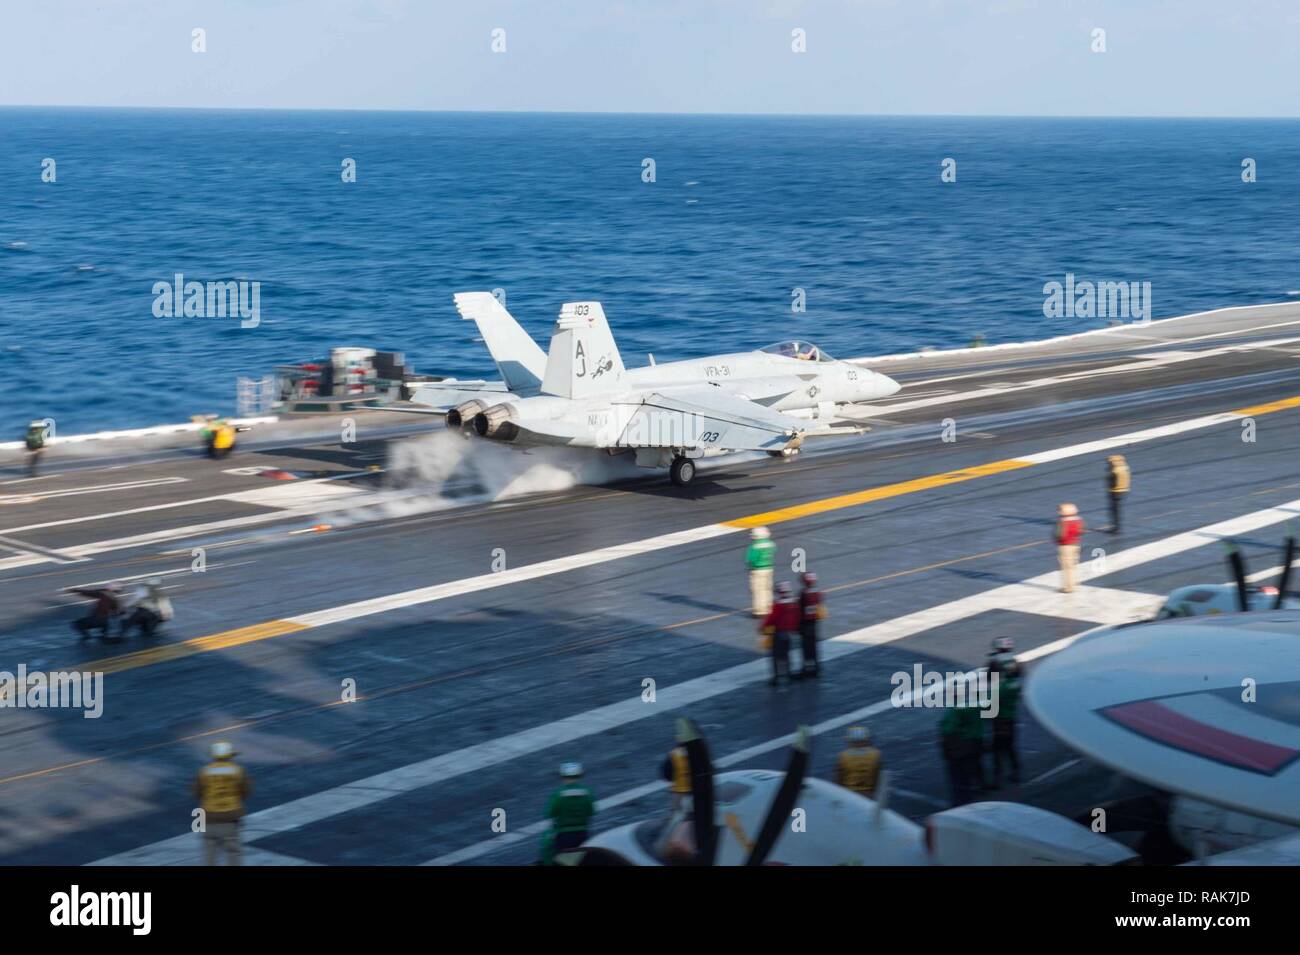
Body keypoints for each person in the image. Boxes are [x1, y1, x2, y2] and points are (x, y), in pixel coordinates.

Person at [194, 740, 252, 865]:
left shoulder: (204, 771)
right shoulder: (238, 770)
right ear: (230, 756)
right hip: (230, 817)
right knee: (233, 852)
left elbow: (197, 792)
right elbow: (246, 791)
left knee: (209, 853)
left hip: (208, 817)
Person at [540, 762, 596, 865]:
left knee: (564, 862)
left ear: (563, 777)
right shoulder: (587, 792)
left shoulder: (559, 794)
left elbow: (550, 813)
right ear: (579, 776)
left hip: (564, 837)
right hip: (582, 835)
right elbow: (591, 811)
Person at [940, 694, 987, 806]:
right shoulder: (976, 706)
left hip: (961, 745)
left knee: (958, 776)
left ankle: (961, 801)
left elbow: (950, 730)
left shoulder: (956, 710)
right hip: (977, 740)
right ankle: (979, 787)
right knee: (975, 767)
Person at [987, 656, 1022, 788]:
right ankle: (1016, 771)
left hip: (1000, 720)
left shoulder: (1002, 688)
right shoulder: (1015, 684)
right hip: (1010, 718)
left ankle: (997, 779)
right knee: (1010, 747)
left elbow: (989, 702)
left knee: (998, 751)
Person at [761, 581, 800, 686]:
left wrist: (763, 627)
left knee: (776, 656)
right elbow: (796, 617)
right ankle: (788, 674)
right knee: (786, 655)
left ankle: (777, 677)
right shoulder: (793, 603)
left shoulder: (777, 604)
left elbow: (771, 618)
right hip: (789, 634)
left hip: (779, 633)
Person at [835, 726, 882, 798]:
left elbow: (839, 780)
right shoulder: (876, 754)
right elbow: (878, 778)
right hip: (869, 794)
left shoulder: (843, 756)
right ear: (866, 739)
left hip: (849, 794)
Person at [796, 571, 825, 678]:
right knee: (814, 646)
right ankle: (816, 668)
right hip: (814, 622)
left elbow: (799, 609)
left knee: (806, 647)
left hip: (805, 623)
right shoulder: (818, 592)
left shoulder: (803, 593)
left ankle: (806, 668)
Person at [1054, 502, 1084, 593]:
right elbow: (1081, 531)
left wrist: (1057, 540)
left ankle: (1068, 587)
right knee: (1073, 564)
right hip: (1075, 544)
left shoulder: (1062, 522)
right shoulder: (1078, 520)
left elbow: (1059, 534)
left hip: (1065, 545)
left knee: (1066, 567)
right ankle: (1075, 581)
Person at [746, 526, 776, 617]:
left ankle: (759, 611)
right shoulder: (771, 543)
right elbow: (774, 550)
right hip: (769, 568)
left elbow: (750, 559)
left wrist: (751, 566)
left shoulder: (754, 546)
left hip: (758, 570)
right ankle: (769, 607)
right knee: (768, 589)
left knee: (758, 590)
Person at [662, 744, 692, 811]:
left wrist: (669, 779)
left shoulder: (673, 754)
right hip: (690, 784)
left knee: (676, 805)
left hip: (677, 786)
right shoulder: (693, 752)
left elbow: (666, 769)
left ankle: (676, 813)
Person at [1105, 454, 1131, 533]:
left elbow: (1113, 483)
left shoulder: (1115, 471)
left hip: (1115, 492)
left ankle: (1116, 528)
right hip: (1123, 490)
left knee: (1115, 511)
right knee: (1117, 510)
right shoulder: (1125, 468)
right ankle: (1116, 527)